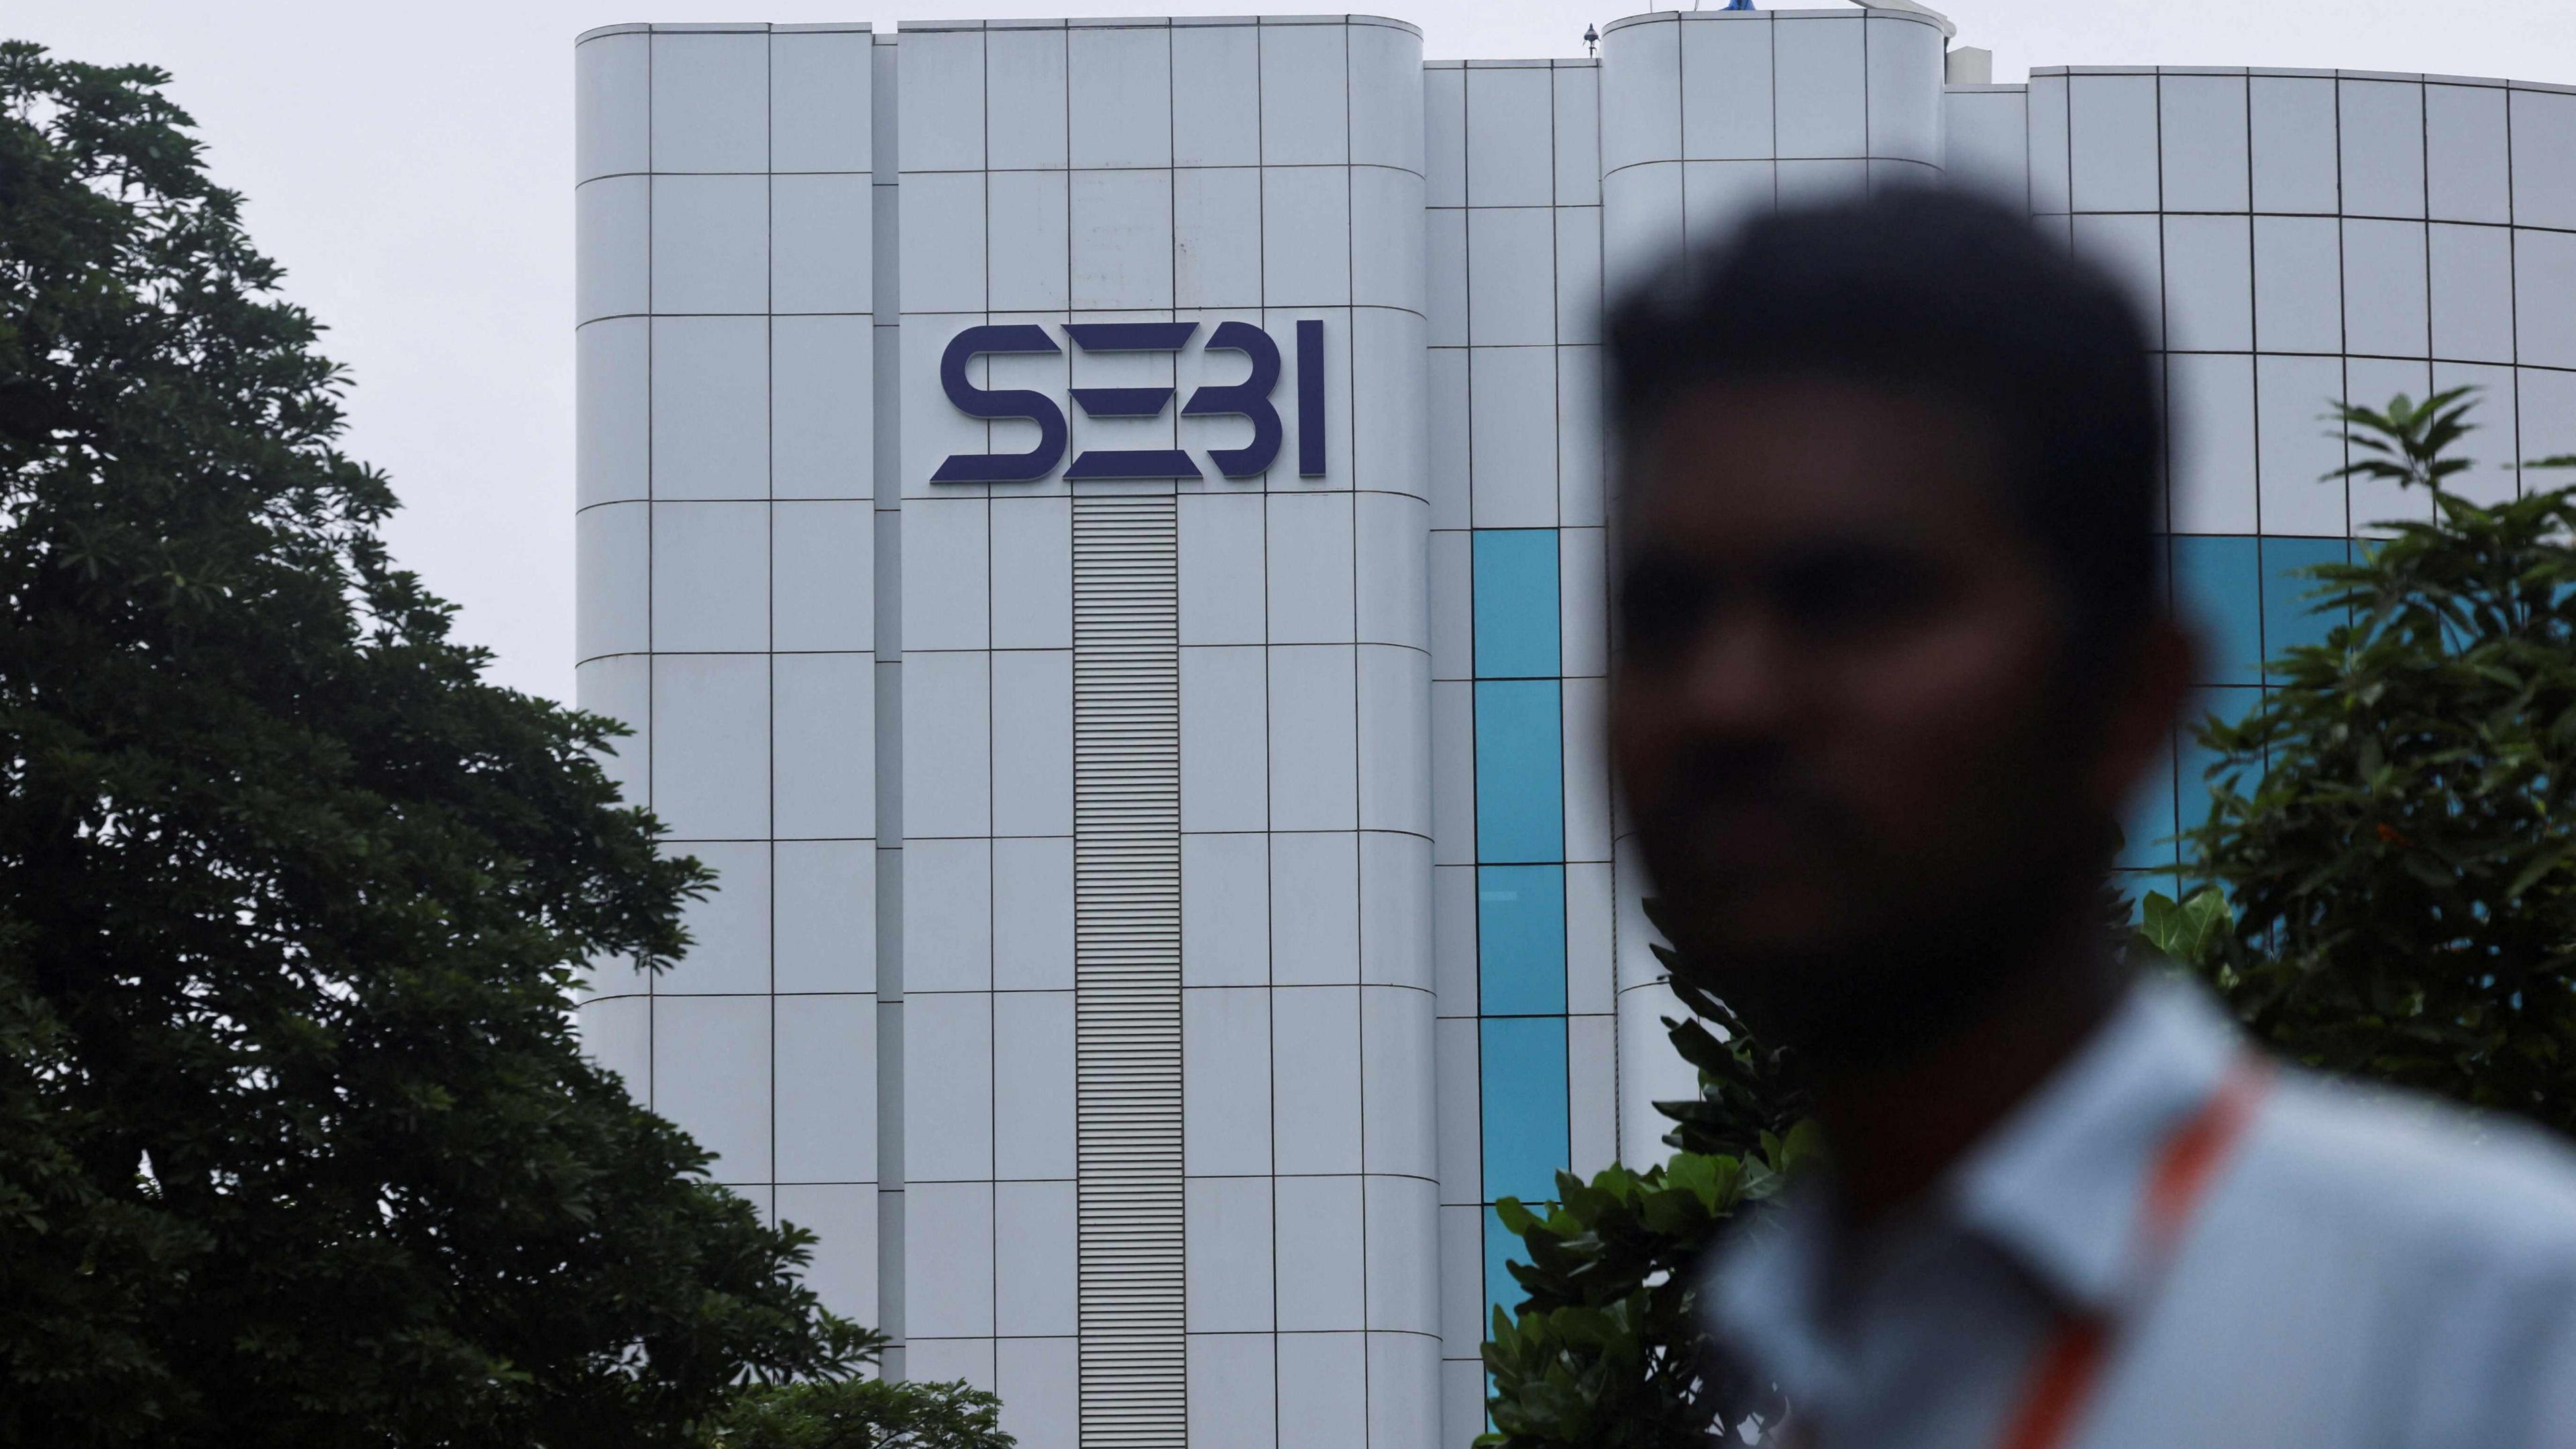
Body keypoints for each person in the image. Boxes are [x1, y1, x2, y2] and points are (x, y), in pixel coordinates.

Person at [1603, 186, 2576, 1448]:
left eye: (1849, 600)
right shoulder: (1793, 1366)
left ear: (2132, 695)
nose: (1728, 701)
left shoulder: (2490, 1330)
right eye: (1662, 616)